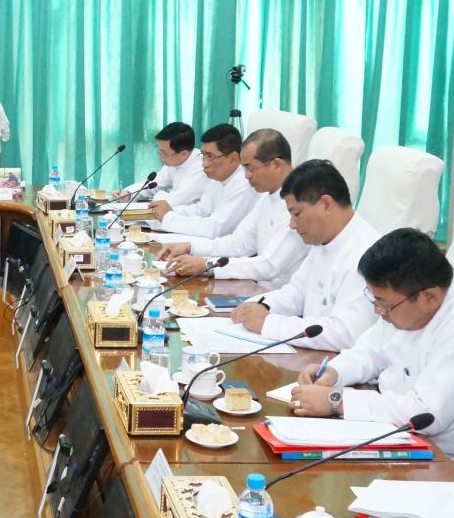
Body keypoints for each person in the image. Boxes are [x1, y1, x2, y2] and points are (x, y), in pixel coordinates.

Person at [290, 228, 454, 469]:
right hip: (415, 447)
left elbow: (426, 414)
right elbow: (371, 351)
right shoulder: (408, 303)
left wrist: (336, 401)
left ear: (429, 297)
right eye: (374, 300)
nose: (379, 311)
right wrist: (334, 372)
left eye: (384, 304)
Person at [231, 160, 380, 351]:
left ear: (326, 204)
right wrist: (259, 306)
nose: (292, 225)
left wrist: (268, 323)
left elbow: (346, 334)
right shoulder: (324, 239)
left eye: (297, 214)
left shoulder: (366, 251)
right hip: (310, 355)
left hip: (336, 363)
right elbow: (297, 292)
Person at [160, 129, 306, 284]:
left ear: (276, 164)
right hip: (256, 287)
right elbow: (239, 243)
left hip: (276, 293)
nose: (246, 175)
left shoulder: (300, 204)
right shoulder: (267, 196)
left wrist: (208, 265)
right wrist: (190, 247)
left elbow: (269, 266)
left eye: (250, 168)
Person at [157, 124, 255, 237]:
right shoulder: (217, 178)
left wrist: (169, 219)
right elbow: (202, 210)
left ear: (233, 159)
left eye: (210, 156)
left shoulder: (244, 183)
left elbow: (216, 228)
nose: (204, 164)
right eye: (203, 155)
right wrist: (169, 211)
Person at [113, 122, 208, 211]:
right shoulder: (174, 162)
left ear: (183, 154)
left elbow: (176, 200)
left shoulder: (201, 166)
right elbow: (155, 184)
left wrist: (158, 197)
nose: (160, 156)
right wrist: (129, 193)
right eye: (159, 150)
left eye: (164, 153)